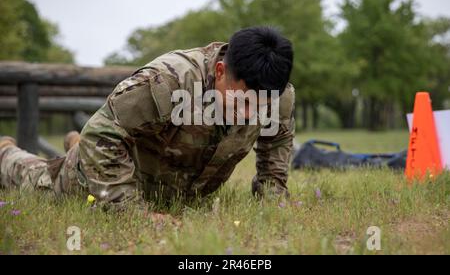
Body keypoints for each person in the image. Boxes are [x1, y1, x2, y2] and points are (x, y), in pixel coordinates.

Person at [0, 26, 295, 210]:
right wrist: (130, 210)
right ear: (220, 72)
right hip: (106, 173)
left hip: (172, 186)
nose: (248, 114)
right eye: (241, 100)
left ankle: (72, 144)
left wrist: (272, 202)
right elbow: (101, 135)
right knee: (37, 180)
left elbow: (276, 146)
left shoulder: (278, 98)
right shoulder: (169, 81)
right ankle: (6, 153)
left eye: (259, 106)